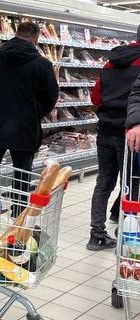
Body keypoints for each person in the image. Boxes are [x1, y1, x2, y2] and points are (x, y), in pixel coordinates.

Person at [0, 21, 59, 217]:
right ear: (36, 39)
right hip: (24, 126)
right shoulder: (42, 64)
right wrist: (35, 113)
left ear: (15, 34)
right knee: (22, 174)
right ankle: (17, 217)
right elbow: (51, 97)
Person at [87, 27, 140, 251]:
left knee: (103, 182)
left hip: (105, 130)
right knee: (131, 183)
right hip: (130, 134)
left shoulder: (110, 62)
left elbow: (95, 96)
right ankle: (127, 232)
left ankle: (96, 234)